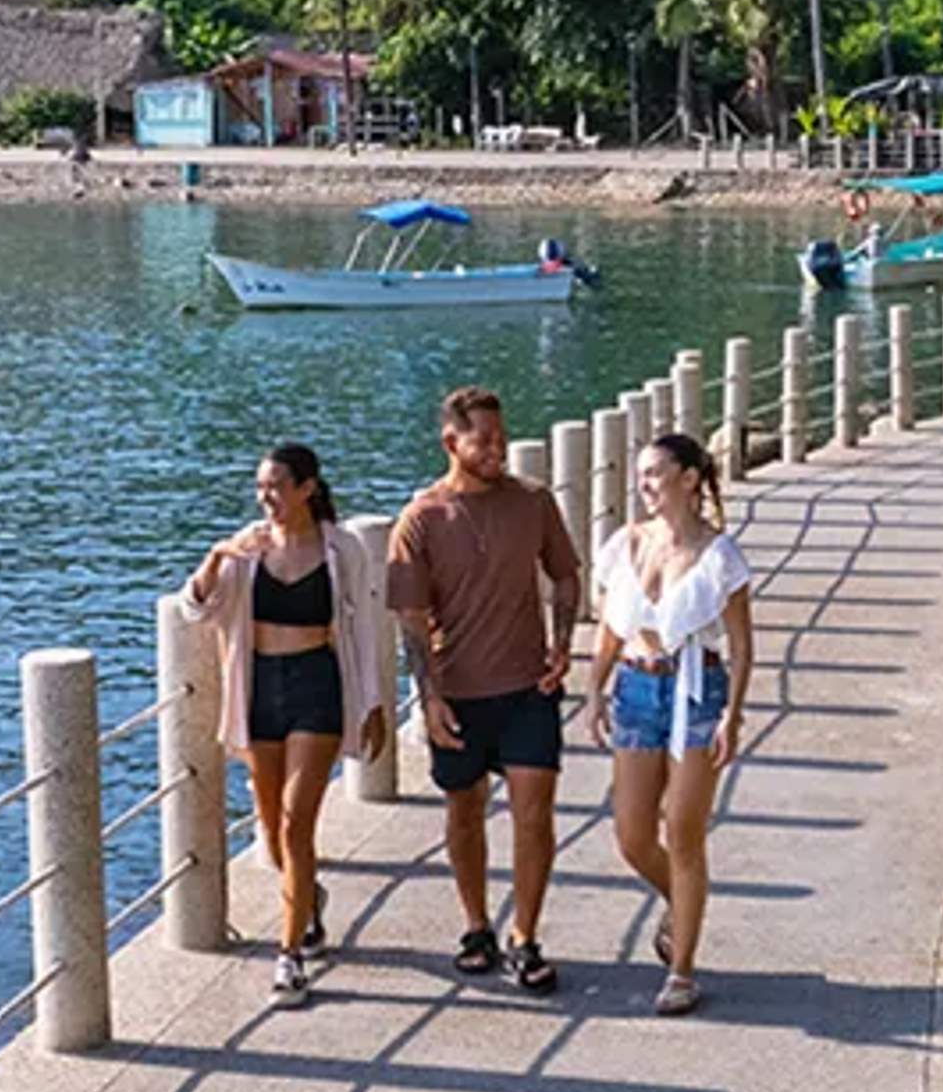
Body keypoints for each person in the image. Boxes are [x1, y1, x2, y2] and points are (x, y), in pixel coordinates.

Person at [387, 386, 584, 992]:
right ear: (452, 443)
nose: (498, 449)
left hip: (528, 686)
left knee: (534, 813)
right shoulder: (421, 520)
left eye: (502, 437)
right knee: (464, 812)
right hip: (460, 693)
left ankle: (525, 935)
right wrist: (430, 697)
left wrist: (562, 643)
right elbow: (412, 622)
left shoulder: (533, 502)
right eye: (484, 441)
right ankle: (477, 925)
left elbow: (566, 576)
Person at [175, 444, 387, 1008]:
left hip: (317, 686)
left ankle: (288, 955)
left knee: (296, 825)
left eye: (275, 486)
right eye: (260, 486)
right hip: (259, 688)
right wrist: (218, 557)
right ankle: (308, 896)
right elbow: (194, 607)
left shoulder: (341, 548)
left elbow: (363, 627)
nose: (265, 497)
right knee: (270, 831)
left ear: (307, 489)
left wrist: (372, 703)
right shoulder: (246, 547)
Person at [582, 432, 758, 1015]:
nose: (645, 484)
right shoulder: (625, 543)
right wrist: (594, 688)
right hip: (635, 687)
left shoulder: (720, 556)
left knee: (683, 829)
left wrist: (732, 714)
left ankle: (681, 969)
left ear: (688, 479)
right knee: (632, 835)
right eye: (640, 474)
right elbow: (609, 624)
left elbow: (740, 642)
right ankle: (680, 902)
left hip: (696, 690)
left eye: (656, 473)